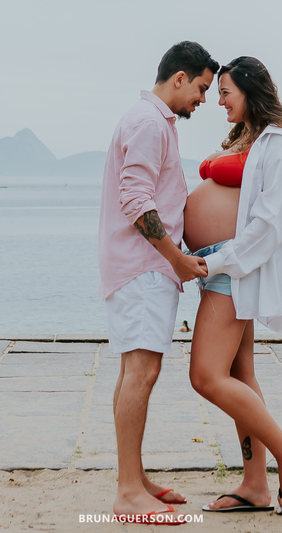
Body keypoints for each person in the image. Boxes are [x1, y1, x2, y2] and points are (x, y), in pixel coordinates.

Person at [184, 56, 282, 515]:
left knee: (205, 376)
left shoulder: (279, 145)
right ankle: (254, 485)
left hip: (232, 269)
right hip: (223, 266)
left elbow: (268, 227)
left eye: (225, 92)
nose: (218, 100)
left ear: (249, 89)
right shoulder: (255, 138)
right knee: (240, 375)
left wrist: (213, 264)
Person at [98, 41, 218, 522]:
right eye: (203, 89)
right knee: (142, 373)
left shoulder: (149, 121)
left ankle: (134, 477)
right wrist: (179, 259)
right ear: (180, 78)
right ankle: (128, 493)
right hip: (144, 268)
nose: (203, 101)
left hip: (138, 267)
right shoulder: (149, 123)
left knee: (134, 371)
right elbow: (136, 199)